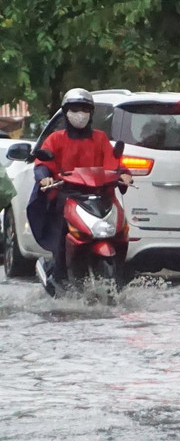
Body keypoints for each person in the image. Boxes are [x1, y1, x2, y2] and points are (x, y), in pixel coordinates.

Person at [28, 88, 131, 293]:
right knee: (61, 232)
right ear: (66, 112)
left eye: (84, 109)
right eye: (75, 109)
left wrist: (124, 174)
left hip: (101, 196)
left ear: (91, 113)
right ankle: (58, 277)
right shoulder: (56, 139)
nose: (80, 114)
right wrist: (44, 177)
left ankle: (122, 275)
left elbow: (114, 162)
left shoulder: (100, 139)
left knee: (122, 229)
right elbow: (42, 164)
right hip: (67, 196)